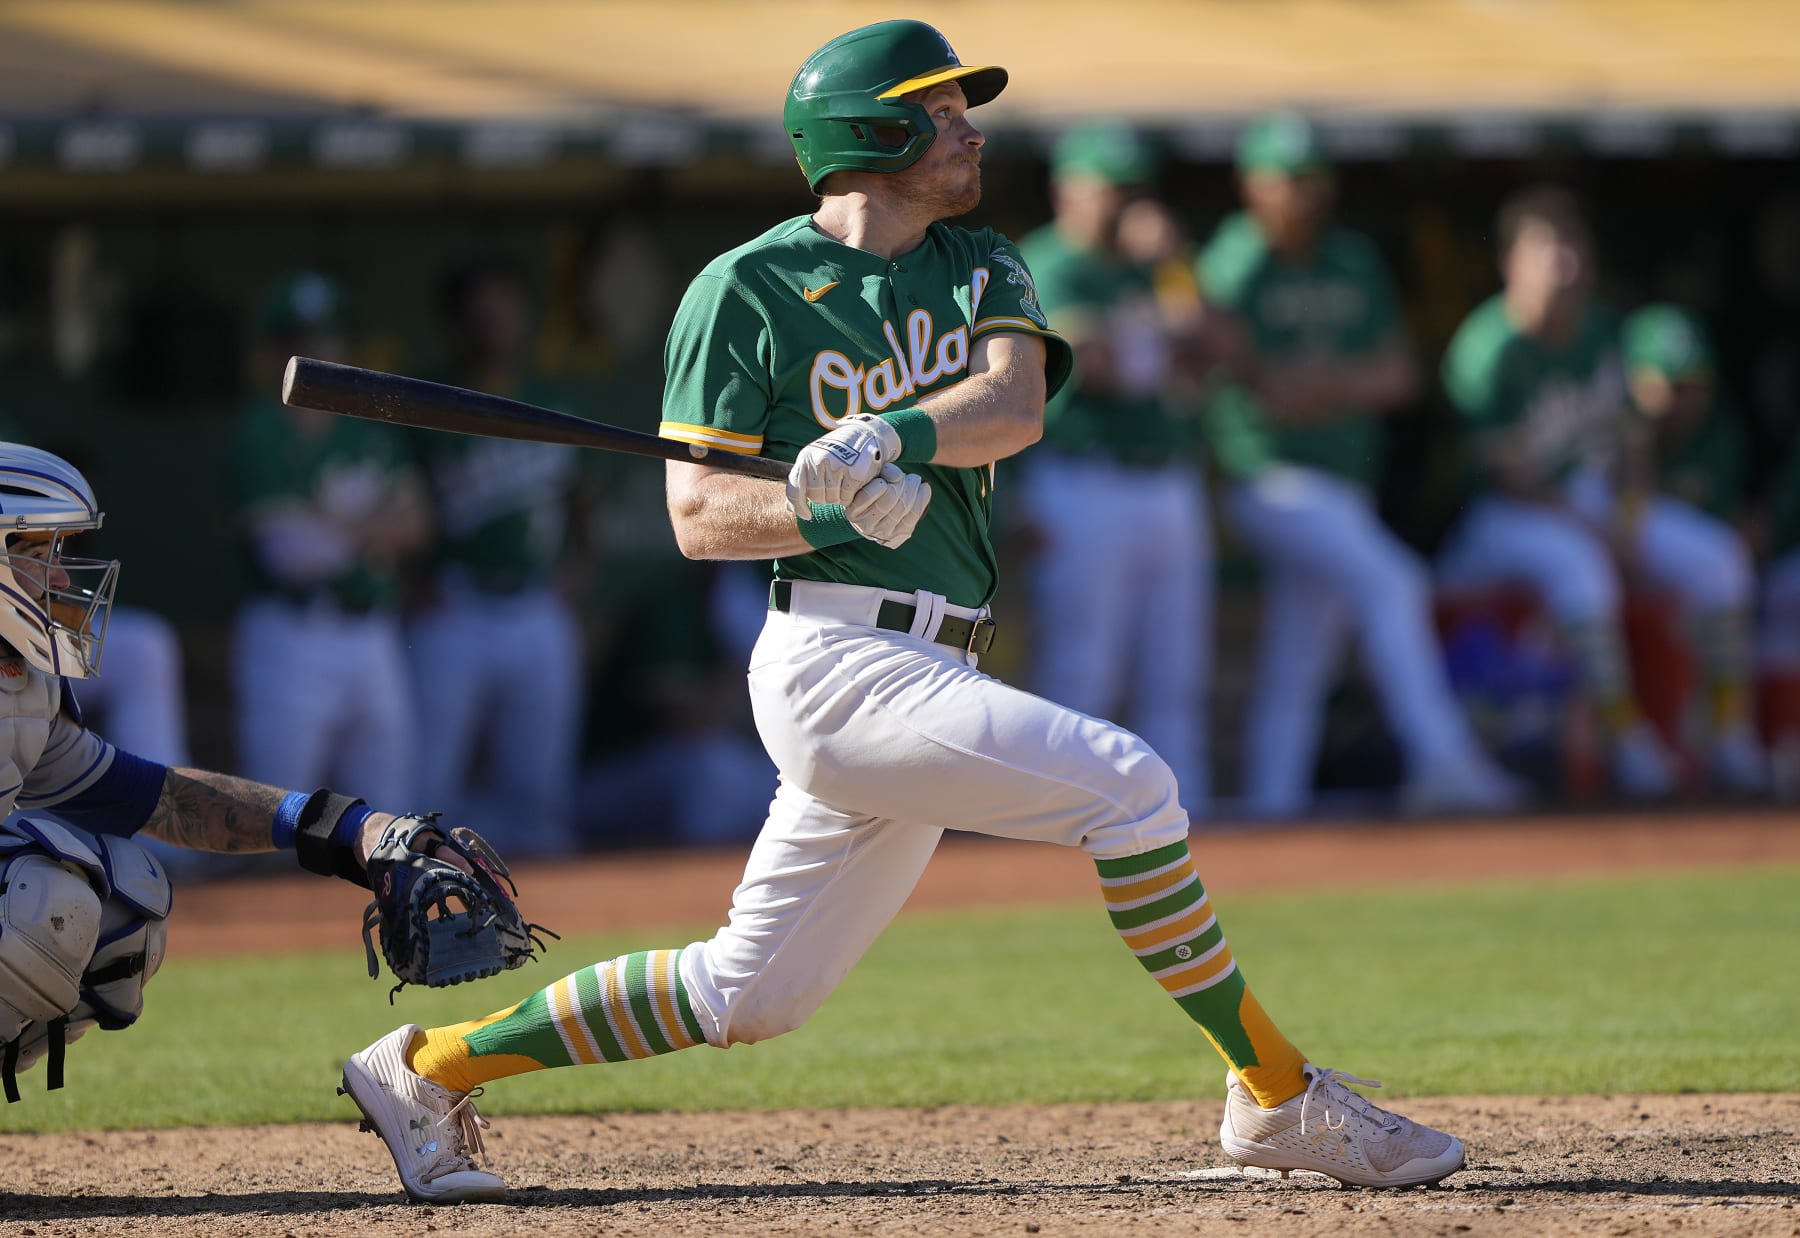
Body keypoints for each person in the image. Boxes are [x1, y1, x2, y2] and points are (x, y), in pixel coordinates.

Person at [340, 21, 1465, 1205]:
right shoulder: (745, 289)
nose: (970, 132)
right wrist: (818, 503)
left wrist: (890, 434)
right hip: (836, 659)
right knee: (1132, 787)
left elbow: (1014, 402)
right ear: (870, 132)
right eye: (942, 113)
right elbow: (700, 514)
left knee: (748, 991)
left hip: (938, 662)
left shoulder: (981, 261)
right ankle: (1274, 1090)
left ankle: (428, 1066)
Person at [0, 442, 515, 1101]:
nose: (61, 576)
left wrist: (351, 830)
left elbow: (152, 797)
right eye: (39, 552)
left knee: (123, 903)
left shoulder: (24, 687)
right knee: (39, 899)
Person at [1195, 113, 1522, 818]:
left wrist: (1316, 381)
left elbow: (1400, 376)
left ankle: (1271, 806)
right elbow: (1260, 386)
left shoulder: (1350, 258)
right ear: (1253, 185)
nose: (1299, 193)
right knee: (1396, 582)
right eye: (1285, 179)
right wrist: (1340, 381)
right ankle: (1442, 760)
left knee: (1298, 659)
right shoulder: (1234, 261)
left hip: (1343, 487)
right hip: (1270, 481)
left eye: (1309, 178)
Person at [1439, 190, 1764, 795]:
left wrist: (1631, 516)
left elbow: (1631, 442)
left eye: (1573, 247)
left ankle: (1728, 733)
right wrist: (1599, 531)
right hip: (1502, 518)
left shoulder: (1604, 329)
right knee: (1580, 563)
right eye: (1548, 250)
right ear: (1511, 262)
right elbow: (1510, 477)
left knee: (1720, 557)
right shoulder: (1488, 349)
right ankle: (1625, 738)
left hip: (1591, 502)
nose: (1565, 265)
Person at [1015, 121, 1213, 808]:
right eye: (1110, 187)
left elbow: (1215, 346)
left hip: (1166, 480)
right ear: (1068, 189)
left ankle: (1186, 815)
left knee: (1176, 669)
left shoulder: (1155, 265)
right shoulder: (1046, 261)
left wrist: (1175, 269)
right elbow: (1095, 364)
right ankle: (1057, 813)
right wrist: (1161, 346)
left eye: (1132, 187)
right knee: (1083, 667)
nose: (1125, 201)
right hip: (1084, 480)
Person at [404, 257, 587, 858]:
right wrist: (410, 580)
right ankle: (418, 878)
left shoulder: (549, 400)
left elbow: (584, 500)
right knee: (427, 782)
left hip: (535, 602)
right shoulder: (426, 402)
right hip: (454, 602)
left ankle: (549, 898)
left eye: (505, 312)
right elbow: (394, 497)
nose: (495, 326)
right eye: (481, 314)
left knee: (539, 791)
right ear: (455, 324)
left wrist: (576, 573)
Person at [232, 272, 427, 809]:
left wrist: (329, 524)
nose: (319, 353)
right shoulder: (259, 431)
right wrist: (373, 529)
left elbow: (417, 525)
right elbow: (289, 554)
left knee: (391, 814)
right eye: (299, 342)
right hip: (293, 632)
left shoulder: (369, 429)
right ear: (274, 353)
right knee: (275, 814)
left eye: (329, 338)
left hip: (373, 634)